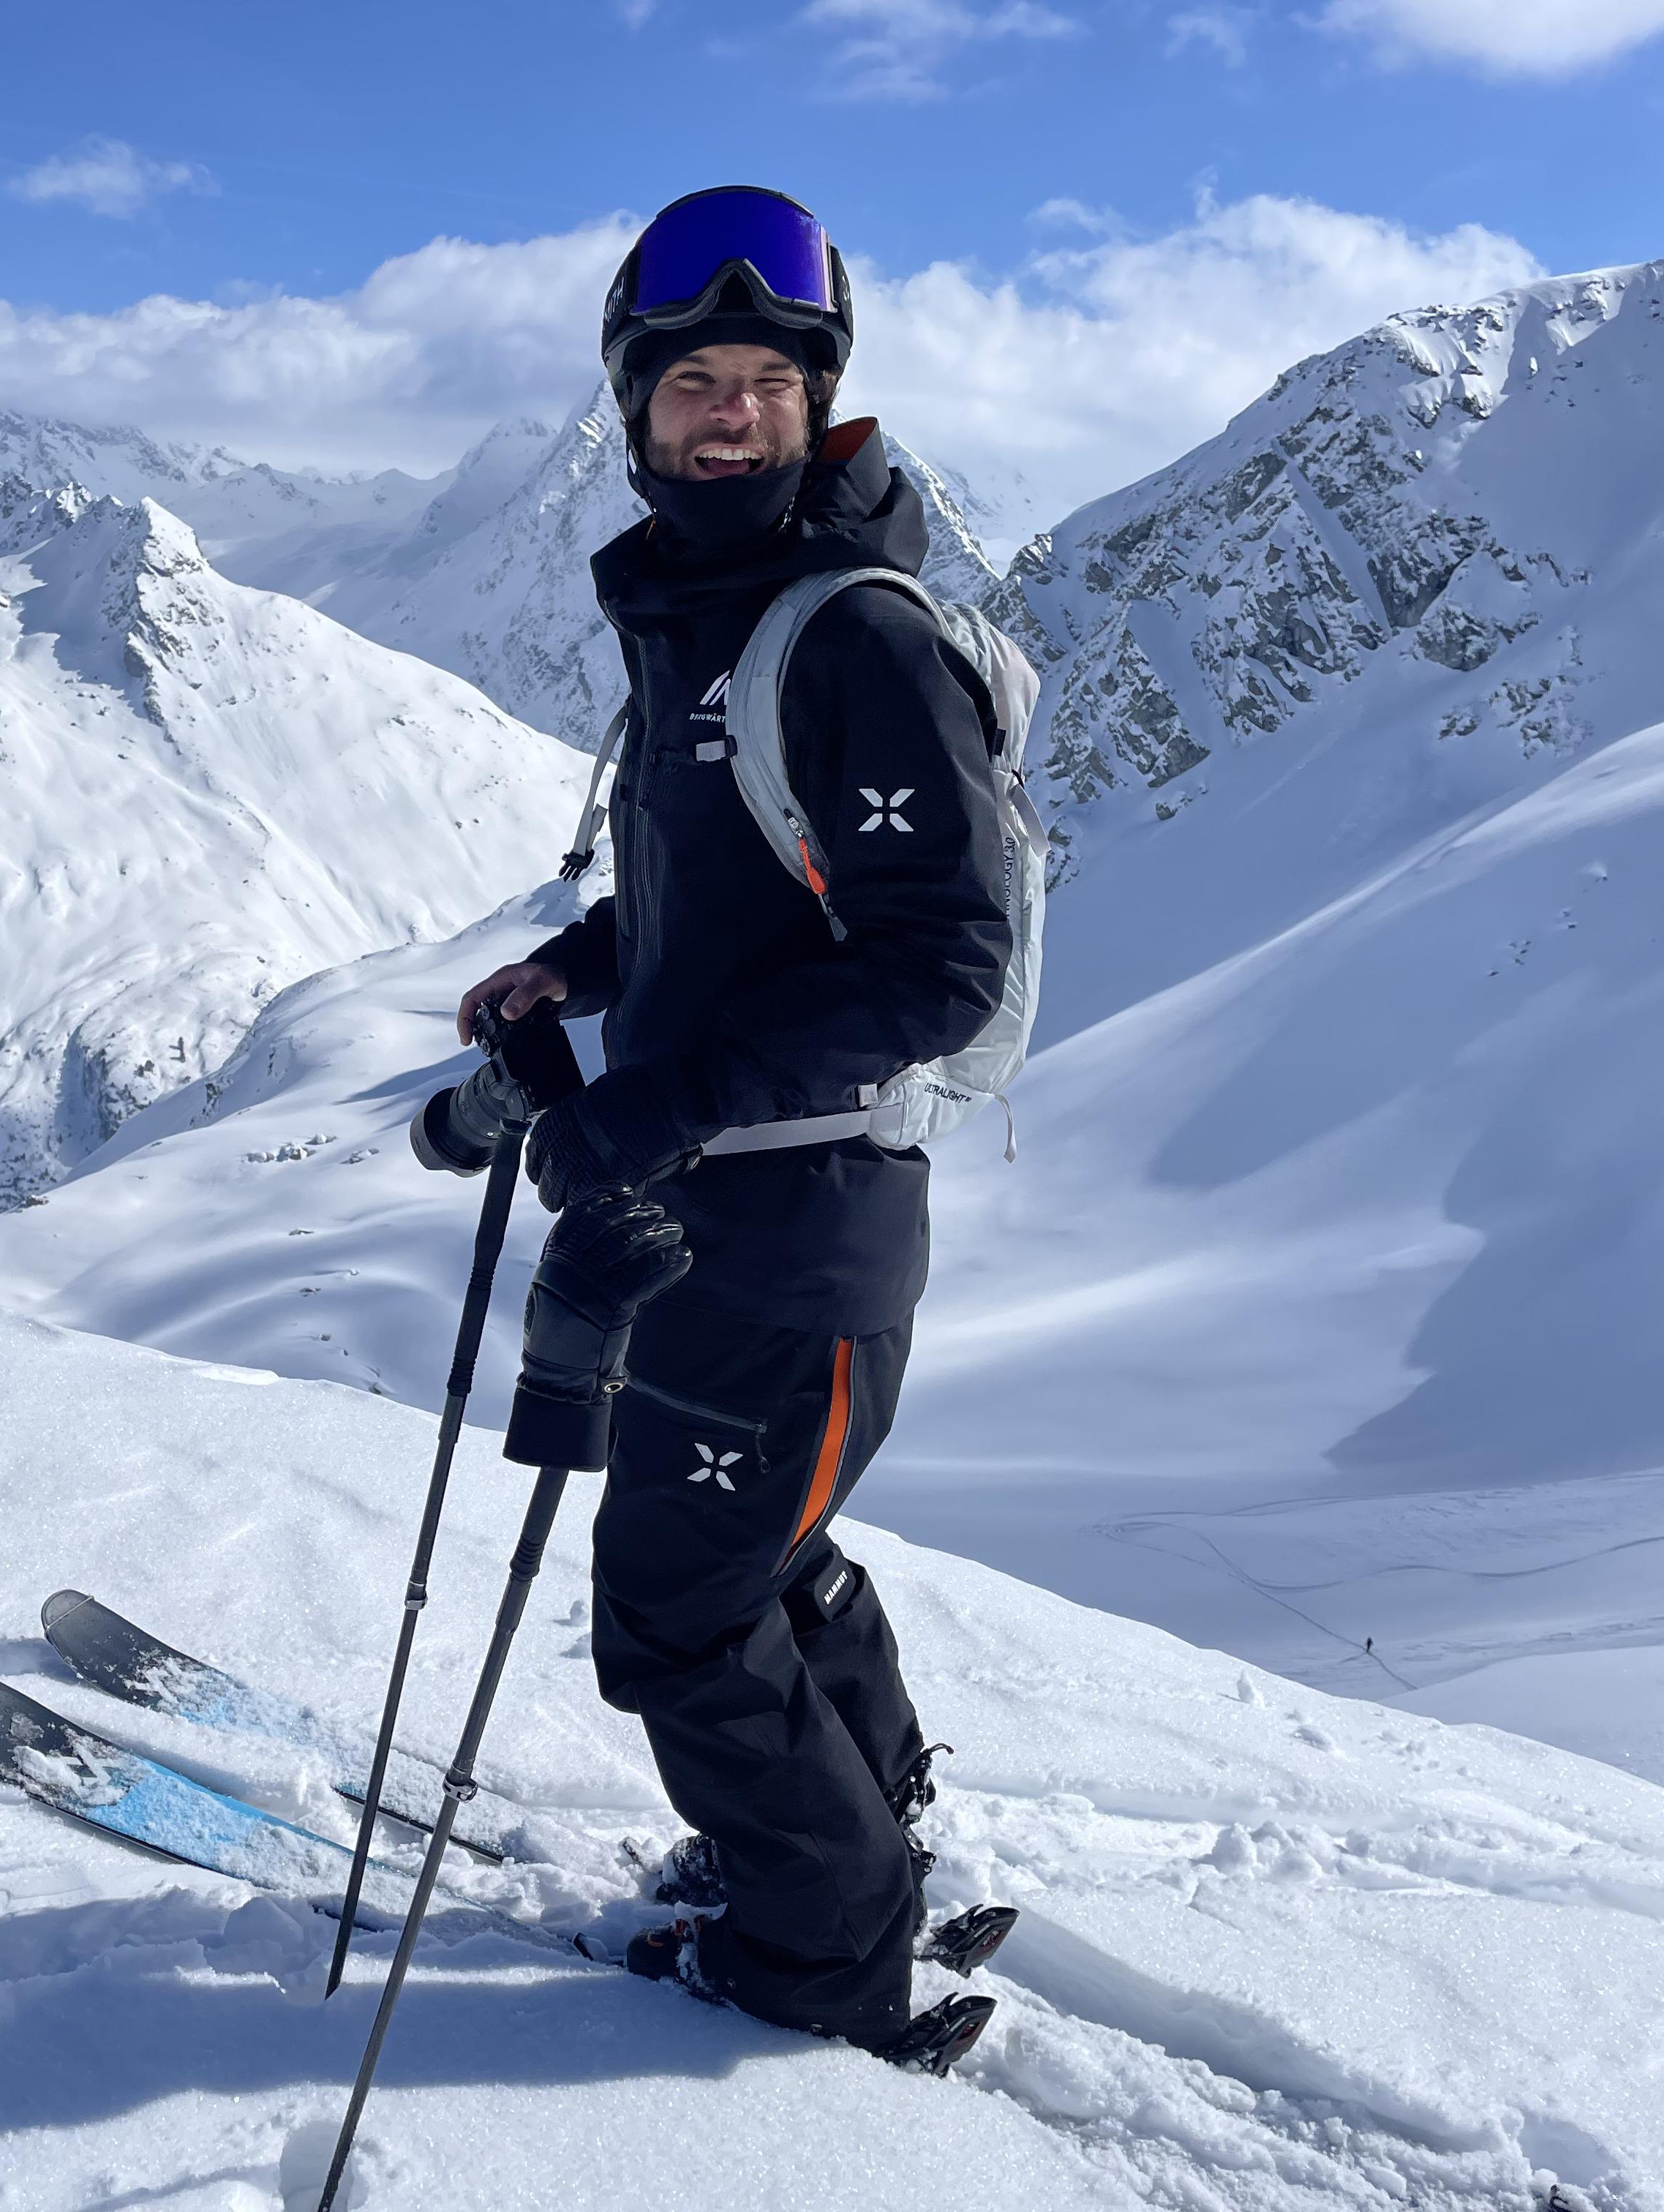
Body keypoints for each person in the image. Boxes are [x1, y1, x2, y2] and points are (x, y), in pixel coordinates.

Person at [454, 185, 1011, 2055]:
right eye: (694, 381)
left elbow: (940, 963)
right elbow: (744, 890)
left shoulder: (852, 638)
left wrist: (664, 1103)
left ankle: (820, 1957)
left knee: (677, 1618)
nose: (730, 414)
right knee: (751, 1565)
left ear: (817, 402)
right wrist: (584, 967)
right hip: (726, 1216)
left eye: (768, 383)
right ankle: (861, 1842)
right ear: (634, 405)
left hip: (803, 1230)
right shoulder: (708, 622)